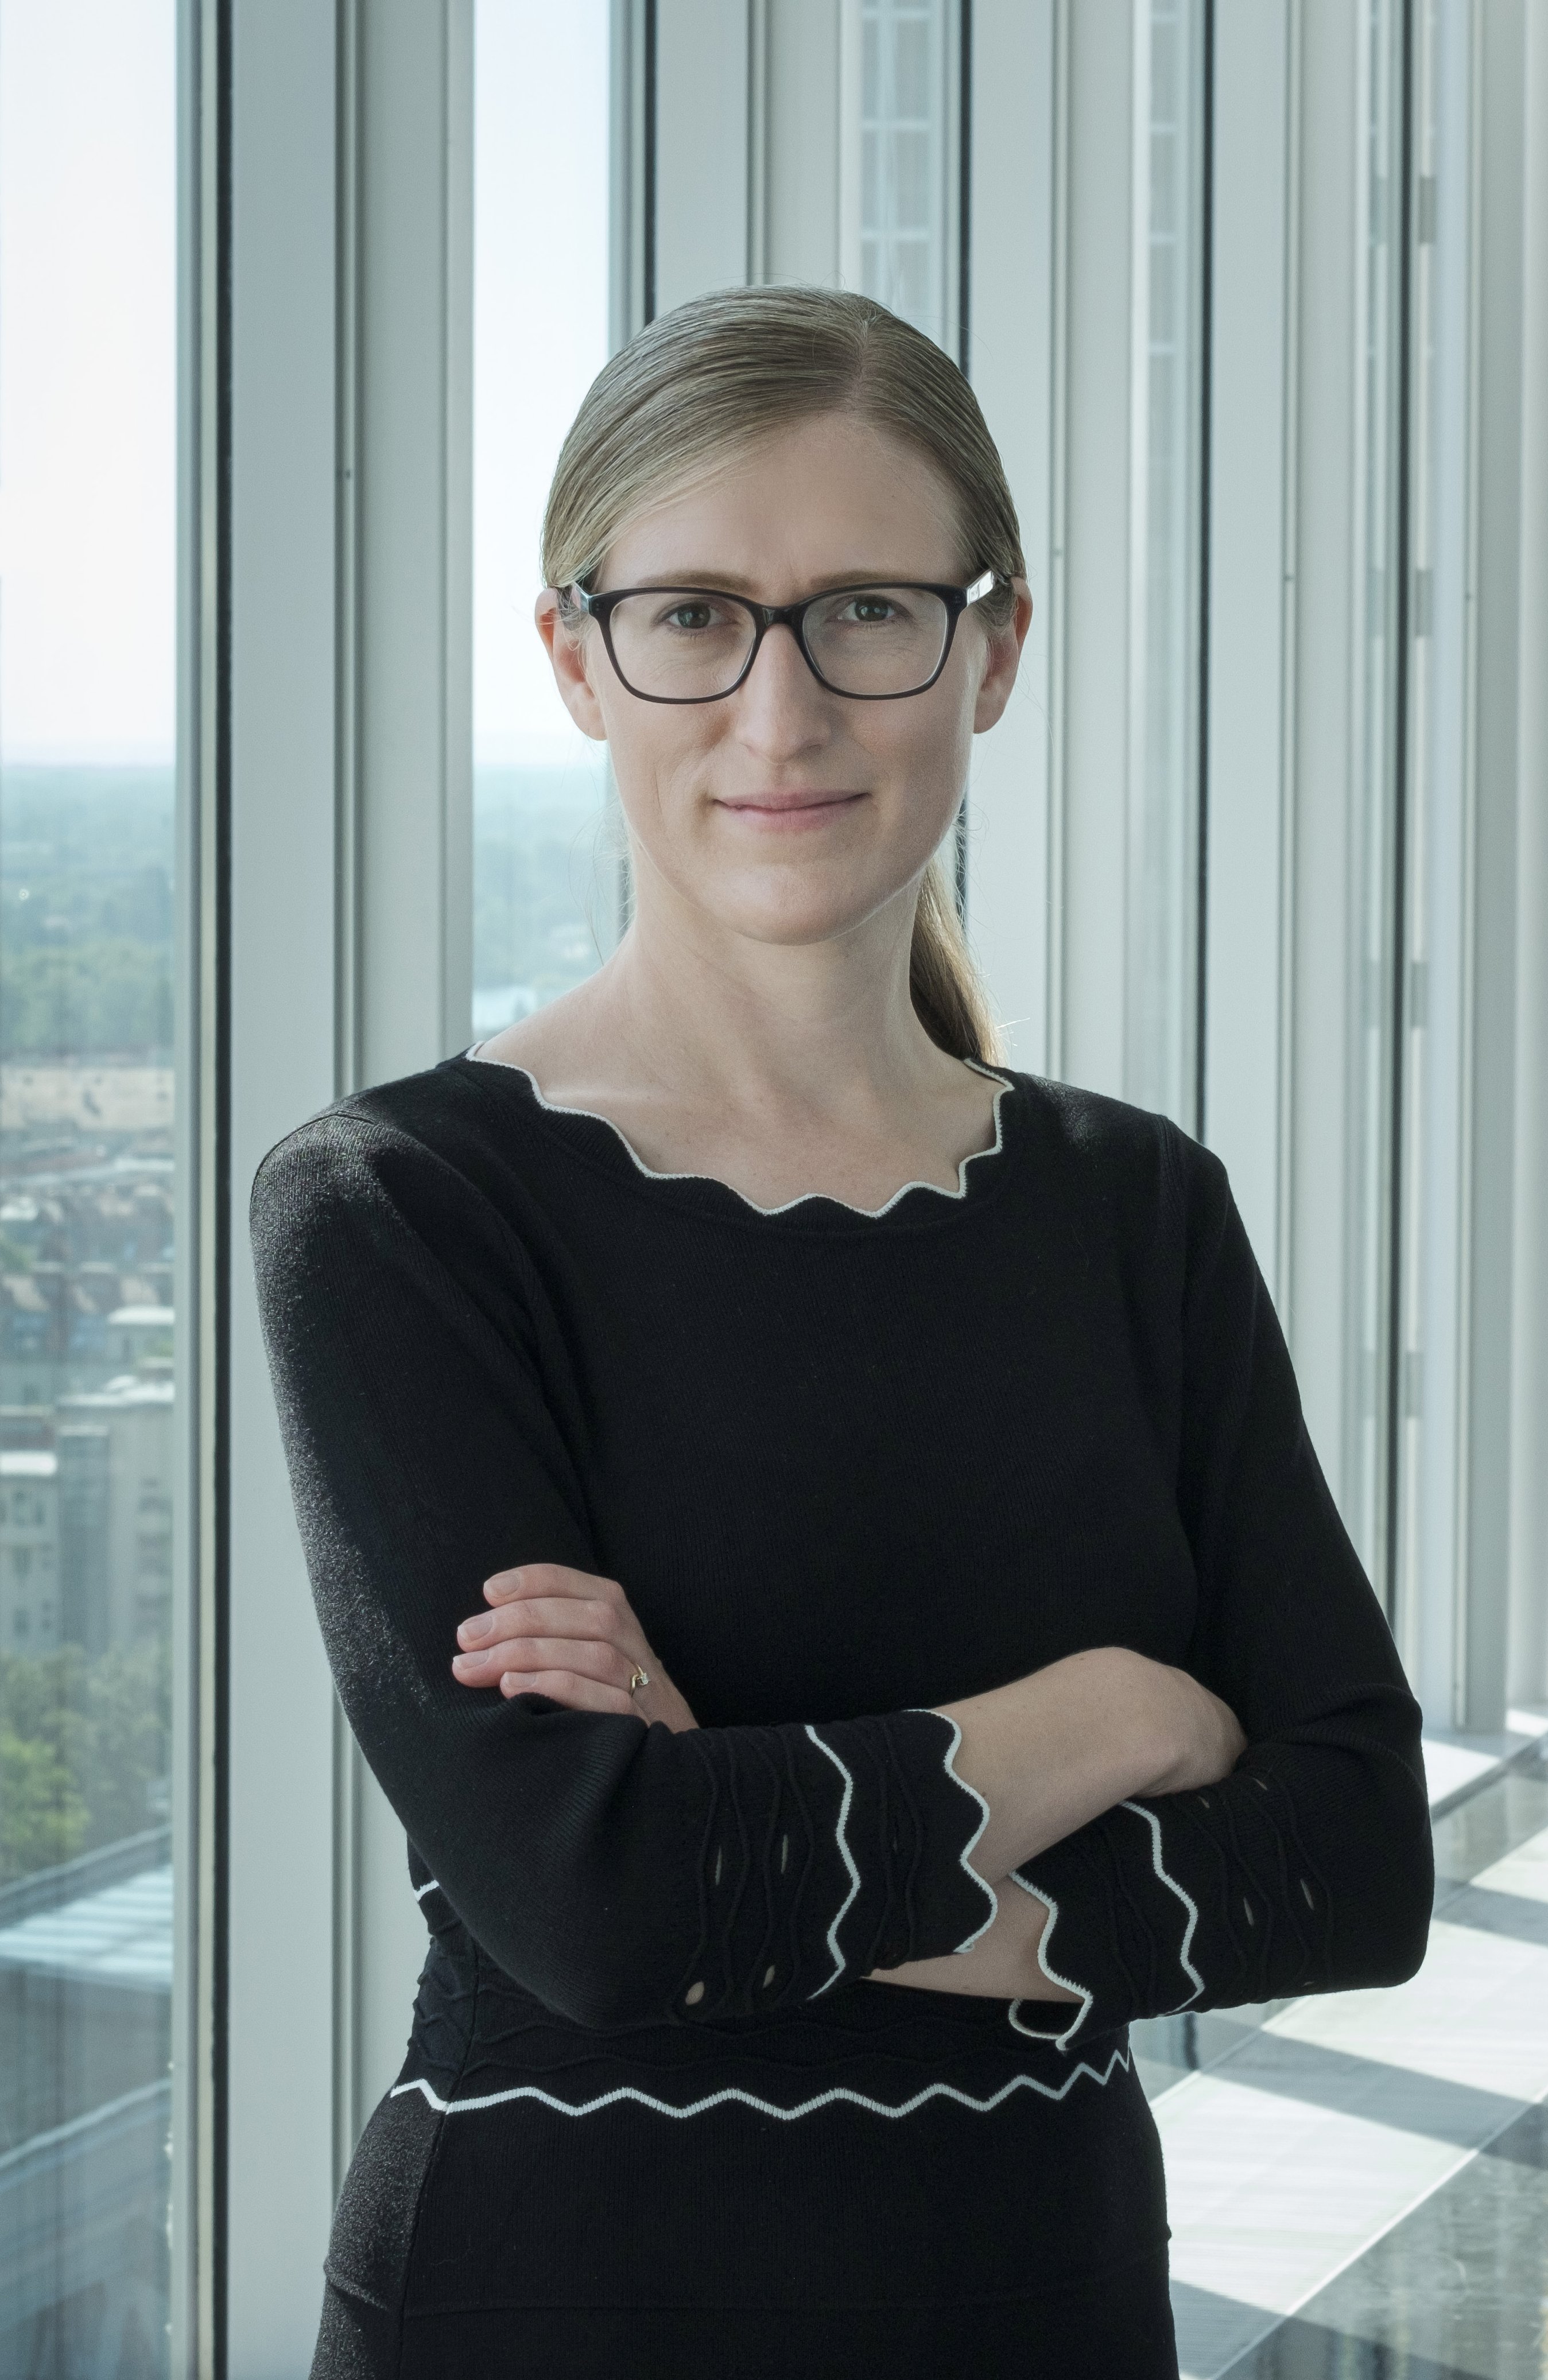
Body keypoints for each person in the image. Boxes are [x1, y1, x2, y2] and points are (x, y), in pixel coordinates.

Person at [253, 286, 1433, 2380]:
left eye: (866, 612)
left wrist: (758, 1831)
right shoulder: (398, 1208)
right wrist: (1124, 1712)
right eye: (695, 615)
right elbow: (600, 1905)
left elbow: (1354, 1864)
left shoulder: (1134, 1206)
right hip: (550, 2306)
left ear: (992, 649)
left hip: (1045, 2303)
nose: (780, 711)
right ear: (575, 658)